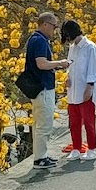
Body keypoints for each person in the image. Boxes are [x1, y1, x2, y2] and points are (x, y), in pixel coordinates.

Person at [25, 12, 70, 168]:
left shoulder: (35, 39)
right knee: (45, 124)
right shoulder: (40, 41)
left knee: (40, 124)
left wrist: (56, 65)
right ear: (45, 24)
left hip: (39, 88)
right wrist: (60, 62)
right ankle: (40, 159)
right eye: (53, 26)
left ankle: (41, 155)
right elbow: (41, 64)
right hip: (43, 88)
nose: (55, 30)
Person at [61, 20, 96, 162]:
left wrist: (90, 87)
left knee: (89, 122)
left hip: (85, 89)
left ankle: (91, 148)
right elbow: (71, 66)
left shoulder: (90, 47)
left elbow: (92, 69)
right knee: (74, 122)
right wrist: (67, 77)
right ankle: (76, 148)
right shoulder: (72, 48)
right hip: (73, 90)